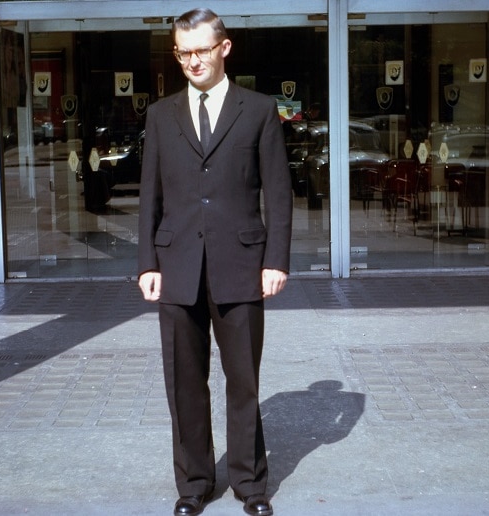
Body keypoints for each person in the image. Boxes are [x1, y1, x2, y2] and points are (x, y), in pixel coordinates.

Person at [137, 8, 292, 516]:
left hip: (242, 264)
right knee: (184, 382)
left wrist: (276, 261)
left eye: (202, 49)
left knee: (243, 380)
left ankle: (251, 485)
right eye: (183, 51)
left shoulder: (259, 110)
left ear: (225, 48)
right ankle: (194, 485)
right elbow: (149, 197)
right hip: (176, 264)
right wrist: (146, 264)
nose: (193, 61)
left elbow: (279, 193)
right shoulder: (161, 115)